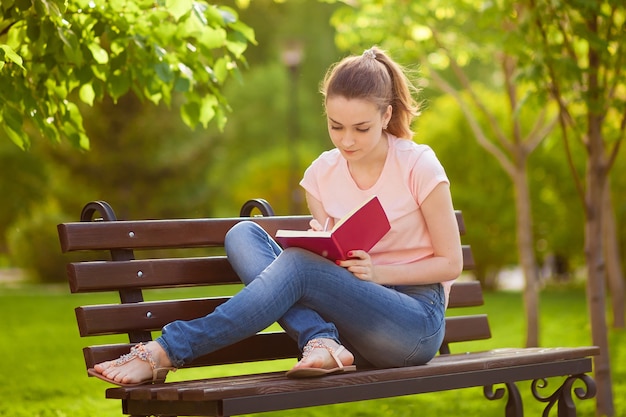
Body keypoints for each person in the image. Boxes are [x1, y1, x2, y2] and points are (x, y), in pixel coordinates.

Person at [90, 46, 464, 386]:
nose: (346, 140)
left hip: (412, 323)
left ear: (386, 116)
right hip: (350, 318)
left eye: (361, 128)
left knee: (298, 266)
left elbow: (451, 263)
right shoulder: (321, 175)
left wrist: (380, 273)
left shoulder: (418, 164)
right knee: (242, 235)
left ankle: (167, 350)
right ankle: (320, 340)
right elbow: (330, 258)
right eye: (336, 126)